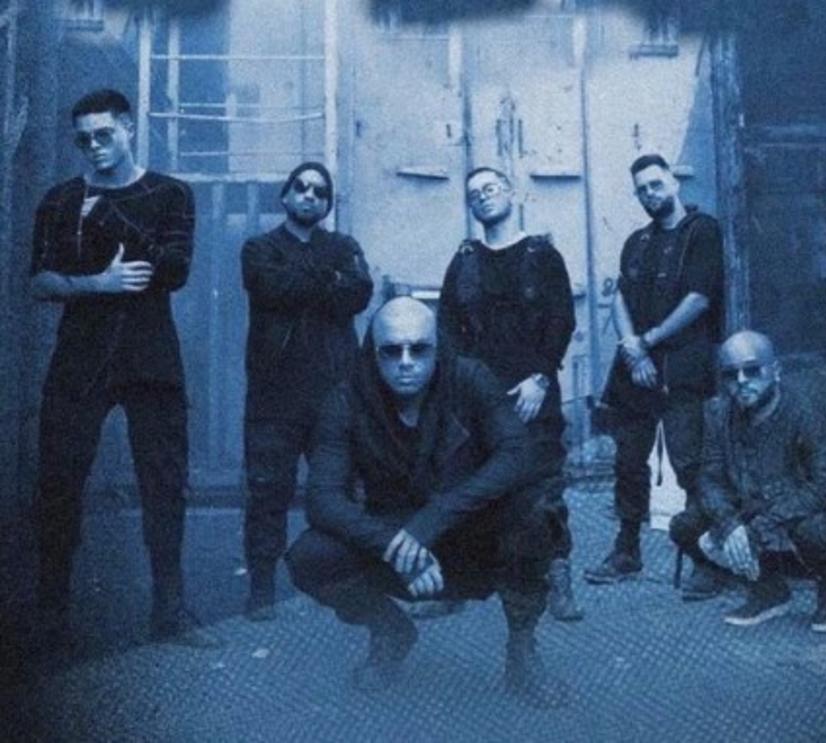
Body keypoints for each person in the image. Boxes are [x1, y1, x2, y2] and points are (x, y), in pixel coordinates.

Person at [285, 298, 570, 708]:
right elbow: (322, 499)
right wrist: (392, 544)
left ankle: (522, 651)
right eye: (391, 351)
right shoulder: (345, 400)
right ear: (374, 354)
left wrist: (432, 521)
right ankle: (390, 630)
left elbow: (517, 454)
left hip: (469, 537)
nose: (406, 363)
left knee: (536, 513)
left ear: (437, 348)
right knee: (310, 556)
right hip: (396, 545)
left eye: (418, 349)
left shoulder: (470, 379)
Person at [30, 88, 218, 648]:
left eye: (104, 134)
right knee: (59, 483)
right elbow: (39, 281)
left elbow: (174, 271)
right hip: (81, 354)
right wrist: (99, 283)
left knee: (164, 483)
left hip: (149, 353)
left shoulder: (171, 194)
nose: (94, 146)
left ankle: (170, 613)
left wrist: (110, 216)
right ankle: (51, 617)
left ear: (129, 128)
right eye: (83, 139)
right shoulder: (59, 200)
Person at [438, 166, 582, 621]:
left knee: (543, 489)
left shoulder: (543, 255)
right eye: (474, 193)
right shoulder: (463, 260)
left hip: (532, 395)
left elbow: (561, 319)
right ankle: (457, 581)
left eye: (490, 188)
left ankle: (557, 576)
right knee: (467, 485)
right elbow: (447, 329)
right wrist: (462, 388)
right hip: (477, 398)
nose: (483, 196)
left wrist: (540, 377)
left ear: (511, 193)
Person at [241, 162, 372, 621]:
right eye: (302, 188)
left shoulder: (344, 246)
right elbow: (270, 287)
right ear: (285, 196)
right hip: (273, 396)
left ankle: (349, 583)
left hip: (334, 395)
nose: (310, 196)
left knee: (340, 491)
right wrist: (328, 279)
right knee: (266, 493)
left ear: (328, 203)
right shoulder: (258, 248)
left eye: (320, 191)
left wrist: (306, 281)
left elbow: (358, 293)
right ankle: (262, 589)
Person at [585, 153, 724, 585]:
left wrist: (647, 342)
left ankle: (707, 558)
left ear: (674, 183)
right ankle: (627, 552)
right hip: (636, 371)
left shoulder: (702, 231)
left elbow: (698, 299)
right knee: (628, 463)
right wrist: (633, 350)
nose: (650, 194)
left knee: (690, 464)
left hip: (683, 367)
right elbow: (619, 298)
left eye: (656, 184)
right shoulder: (636, 241)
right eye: (642, 190)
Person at [669, 331, 826, 631]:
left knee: (819, 531)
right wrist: (730, 525)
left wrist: (758, 528)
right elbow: (709, 478)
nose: (742, 381)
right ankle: (768, 591)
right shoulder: (719, 414)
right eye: (731, 374)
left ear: (775, 370)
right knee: (686, 525)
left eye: (752, 370)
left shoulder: (807, 414)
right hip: (753, 512)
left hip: (801, 518)